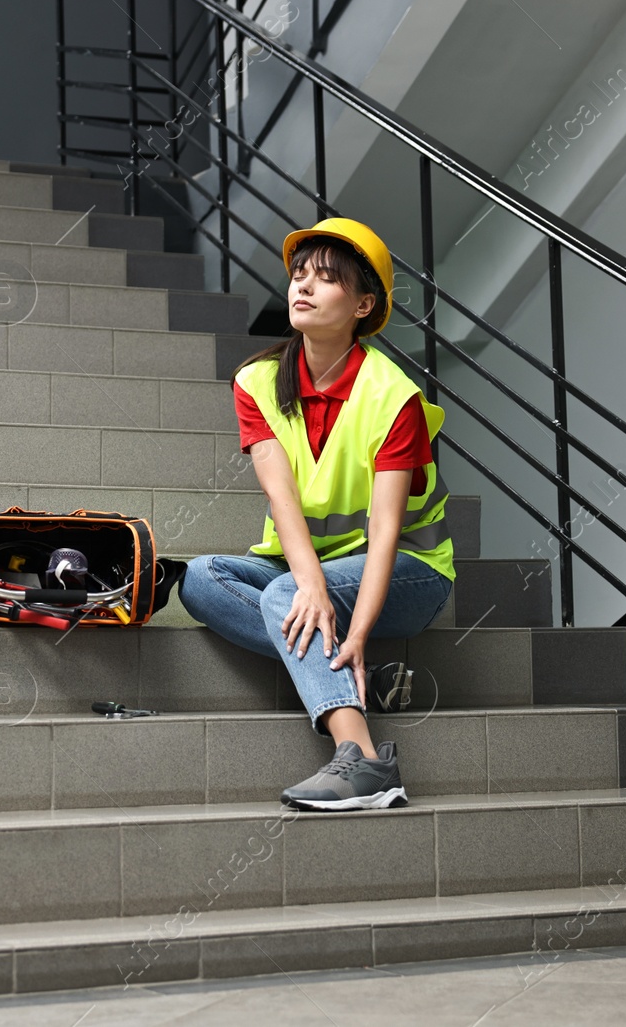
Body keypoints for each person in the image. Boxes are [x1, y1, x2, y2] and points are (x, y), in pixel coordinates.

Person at [179, 218, 455, 810]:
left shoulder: (393, 396)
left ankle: (364, 761)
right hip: (308, 563)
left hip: (408, 572)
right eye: (298, 274)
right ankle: (350, 680)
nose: (302, 286)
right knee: (200, 578)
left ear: (363, 304)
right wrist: (314, 590)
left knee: (285, 596)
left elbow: (384, 533)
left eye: (325, 280)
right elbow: (282, 501)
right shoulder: (256, 381)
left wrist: (355, 631)